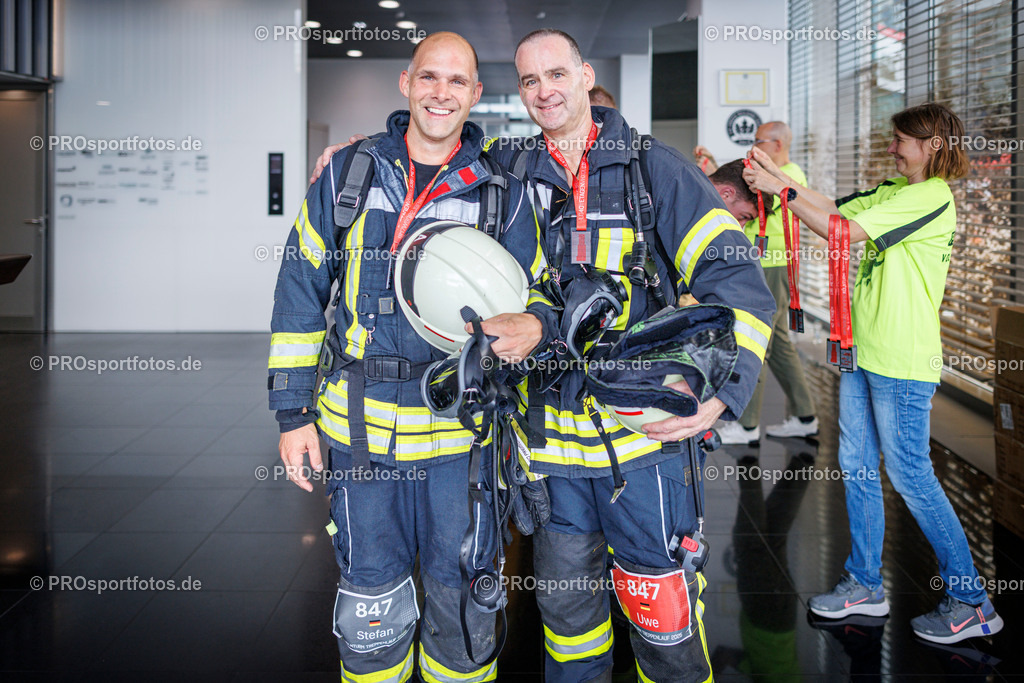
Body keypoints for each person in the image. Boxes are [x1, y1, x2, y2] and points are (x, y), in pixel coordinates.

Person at [314, 29, 775, 682]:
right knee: (568, 624)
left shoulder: (655, 171)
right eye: (529, 81)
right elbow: (431, 157)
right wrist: (363, 157)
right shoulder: (508, 168)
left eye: (556, 74)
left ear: (585, 75)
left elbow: (742, 286)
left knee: (664, 622)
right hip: (550, 460)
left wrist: (724, 394)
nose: (544, 91)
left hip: (643, 449)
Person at [270, 32, 555, 683]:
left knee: (462, 600)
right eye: (430, 77)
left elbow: (538, 292)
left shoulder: (500, 193)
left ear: (476, 95)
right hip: (360, 435)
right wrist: (292, 415)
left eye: (457, 82)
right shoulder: (350, 173)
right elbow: (299, 288)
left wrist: (533, 323)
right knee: (371, 604)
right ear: (407, 83)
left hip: (462, 440)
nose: (441, 93)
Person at [743, 102, 1004, 644]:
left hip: (902, 362)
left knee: (910, 475)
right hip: (865, 354)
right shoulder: (895, 189)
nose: (892, 147)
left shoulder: (929, 197)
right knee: (857, 464)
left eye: (902, 139)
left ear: (932, 145)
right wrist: (774, 182)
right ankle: (864, 583)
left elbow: (843, 232)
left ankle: (972, 600)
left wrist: (782, 193)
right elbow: (833, 206)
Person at [715, 122, 818, 445]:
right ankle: (805, 416)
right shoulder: (772, 175)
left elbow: (758, 210)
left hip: (773, 266)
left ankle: (747, 425)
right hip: (768, 264)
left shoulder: (788, 177)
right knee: (781, 346)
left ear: (776, 144)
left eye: (758, 140)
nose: (754, 146)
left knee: (756, 341)